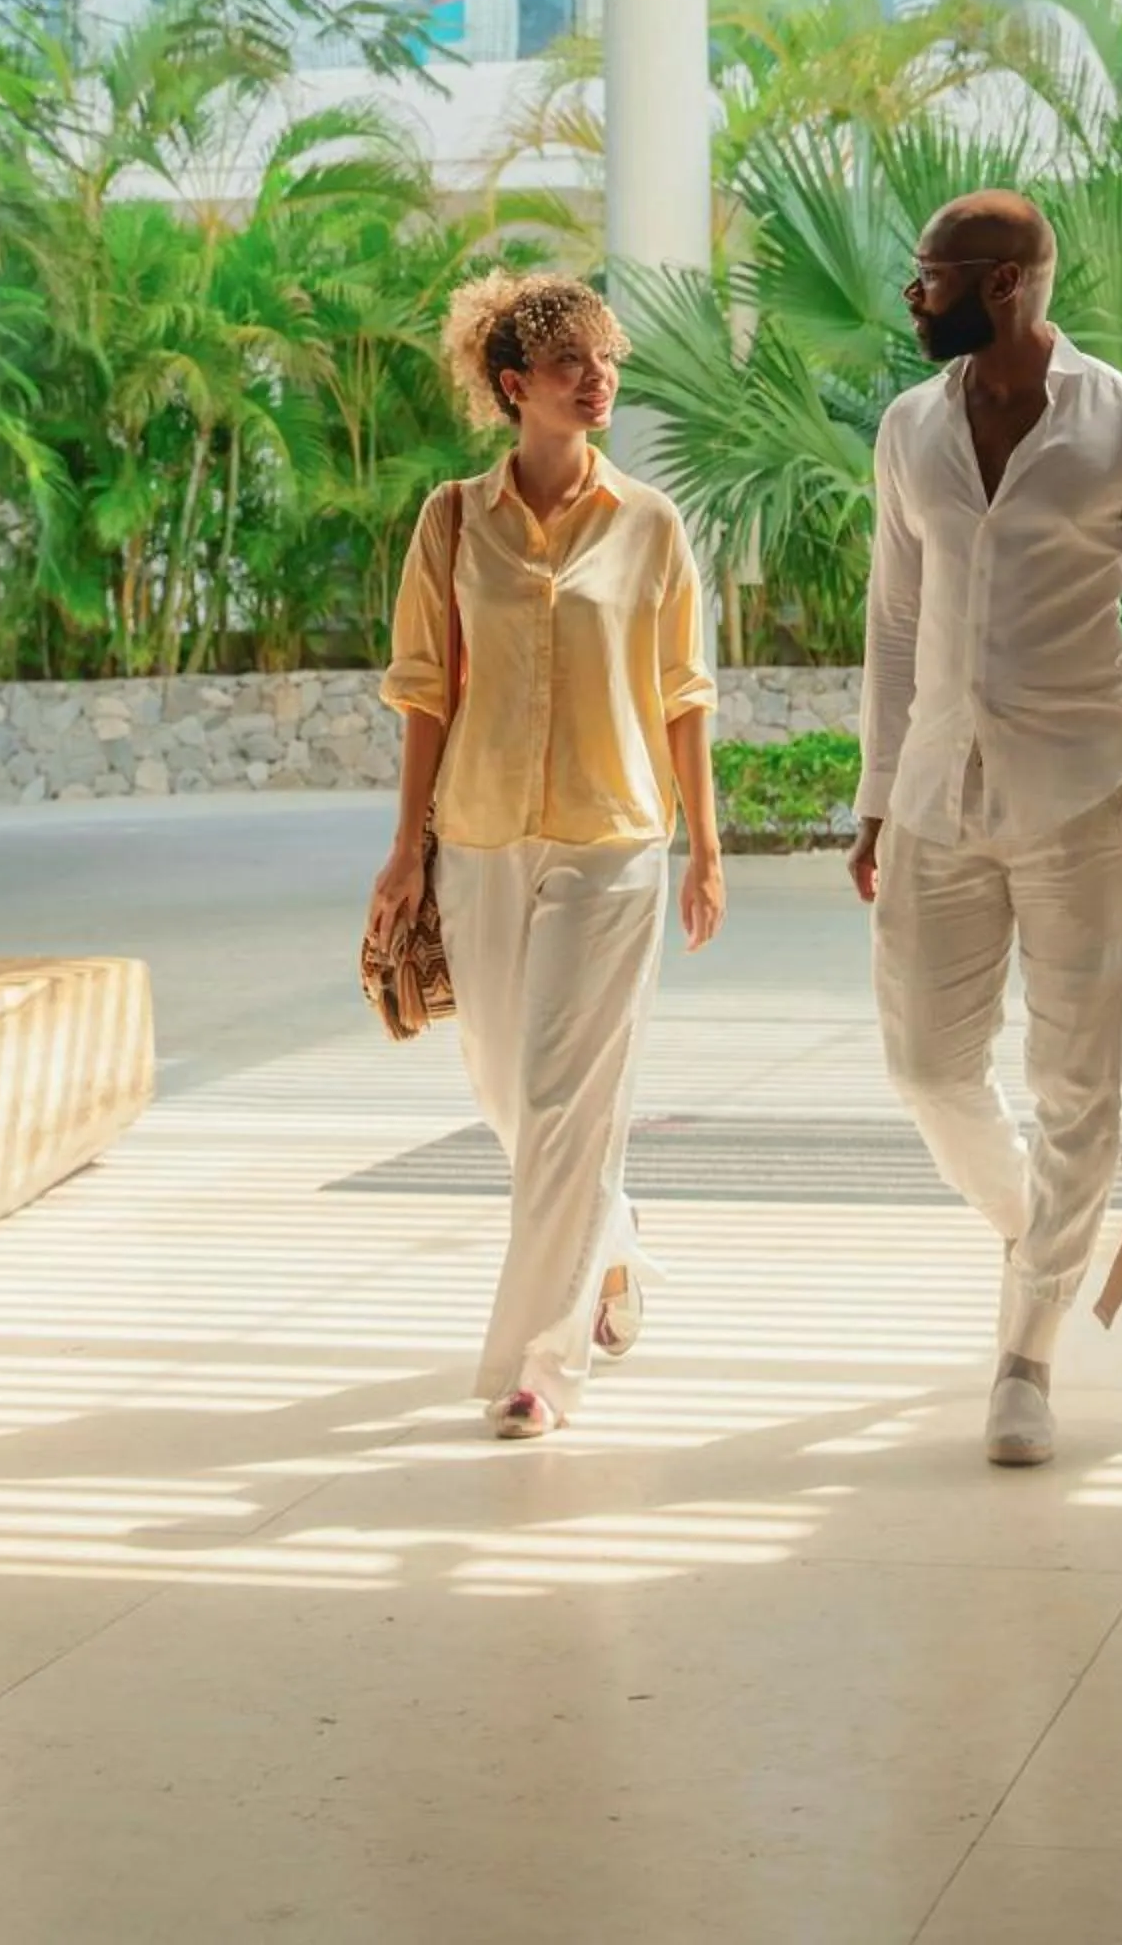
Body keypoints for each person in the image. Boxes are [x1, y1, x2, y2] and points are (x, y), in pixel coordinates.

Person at [849, 191, 1122, 1469]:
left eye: (929, 279)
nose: (912, 299)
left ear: (1005, 282)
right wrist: (869, 795)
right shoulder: (910, 428)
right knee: (923, 1063)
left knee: (1076, 1078)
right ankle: (1036, 1228)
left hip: (1081, 787)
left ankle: (1026, 1351)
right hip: (934, 789)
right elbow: (893, 627)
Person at [370, 271, 726, 1442]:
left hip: (615, 837)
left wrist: (705, 845)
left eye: (606, 358)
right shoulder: (450, 521)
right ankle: (609, 1249)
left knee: (568, 1099)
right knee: (503, 1088)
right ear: (513, 387)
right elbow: (424, 689)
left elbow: (682, 691)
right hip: (476, 832)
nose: (598, 379)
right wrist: (404, 853)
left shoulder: (649, 524)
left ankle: (540, 1362)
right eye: (571, 364)